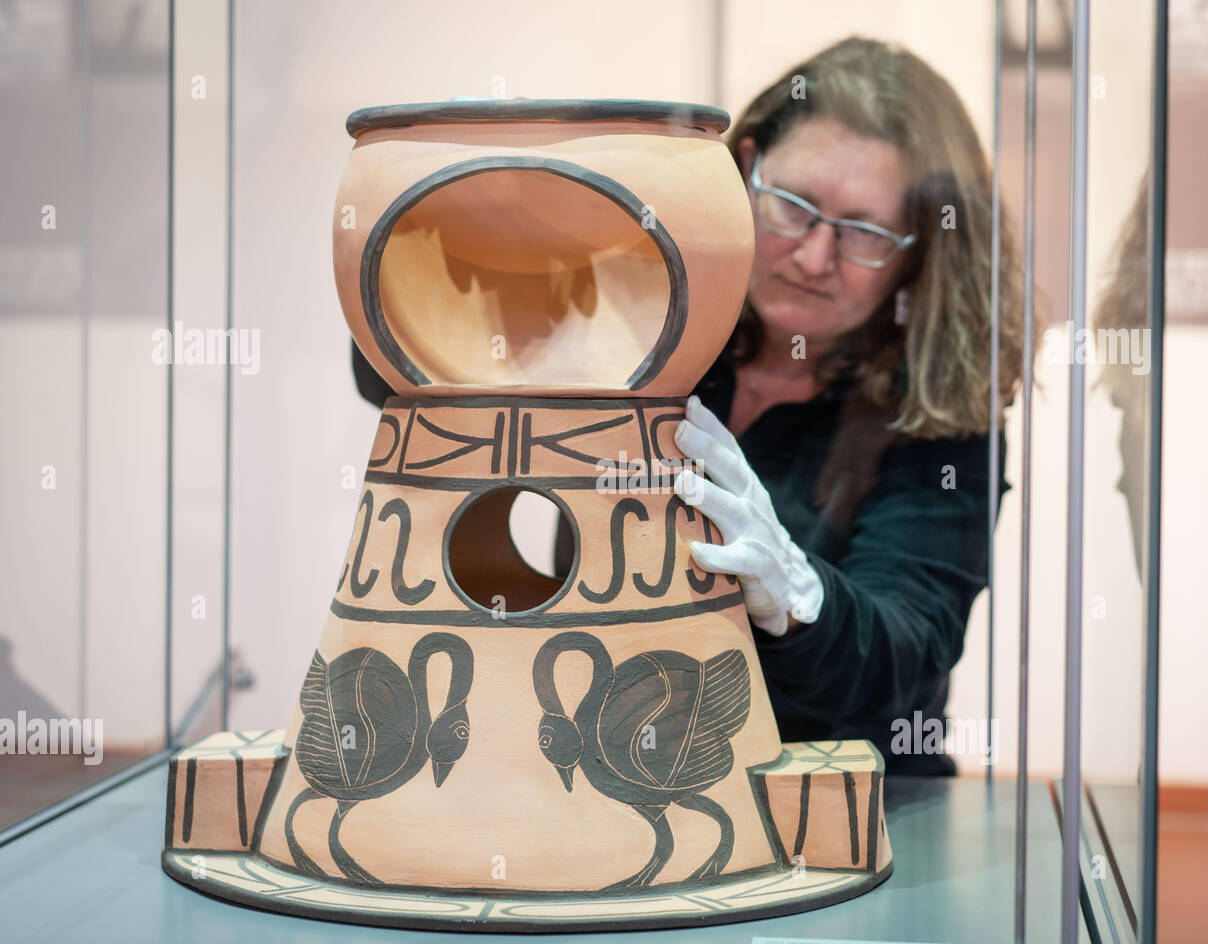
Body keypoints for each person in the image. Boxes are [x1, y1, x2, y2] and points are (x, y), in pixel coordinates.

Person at [351, 36, 1028, 774]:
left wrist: (799, 597)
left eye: (863, 231)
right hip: (601, 781)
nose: (814, 256)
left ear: (919, 248)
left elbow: (908, 657)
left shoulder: (937, 420)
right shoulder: (644, 313)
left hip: (844, 811)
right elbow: (403, 378)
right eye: (795, 207)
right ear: (744, 167)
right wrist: (464, 208)